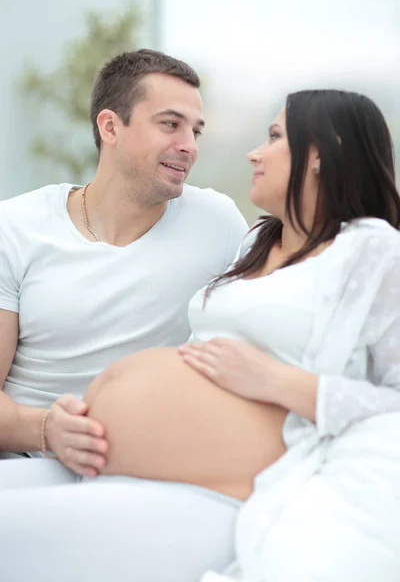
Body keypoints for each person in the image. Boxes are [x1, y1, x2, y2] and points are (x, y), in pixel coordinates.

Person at [1, 89, 400, 582]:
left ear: (322, 153)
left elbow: (393, 402)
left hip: (228, 486)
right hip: (108, 457)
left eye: (275, 137)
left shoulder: (376, 253)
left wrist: (277, 382)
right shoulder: (256, 240)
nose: (255, 152)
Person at [0, 49, 248, 481]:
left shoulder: (219, 223)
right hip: (29, 467)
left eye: (196, 130)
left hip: (147, 470)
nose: (189, 145)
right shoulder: (16, 227)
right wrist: (48, 430)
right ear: (111, 126)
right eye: (170, 124)